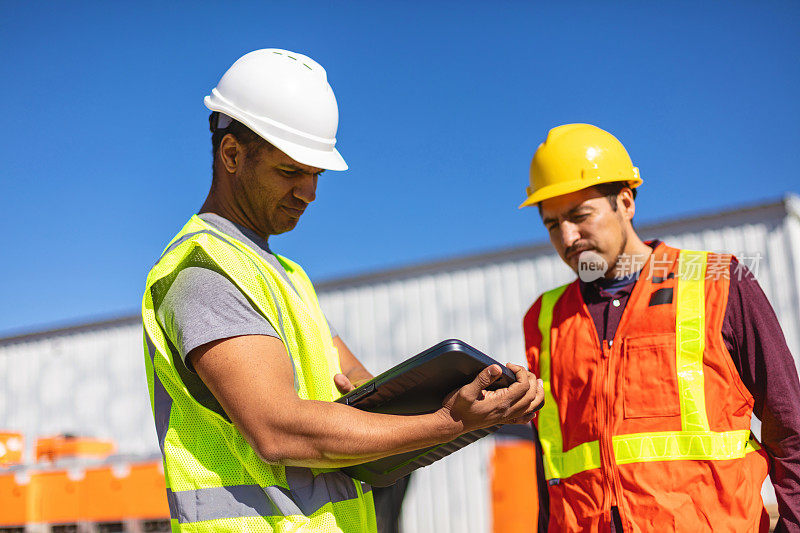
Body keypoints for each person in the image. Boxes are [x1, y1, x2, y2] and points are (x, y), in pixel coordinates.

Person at [141, 48, 544, 533]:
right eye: (290, 171)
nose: (309, 193)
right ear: (231, 154)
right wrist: (449, 422)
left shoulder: (288, 276)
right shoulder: (202, 270)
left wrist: (476, 396)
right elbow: (277, 429)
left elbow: (360, 381)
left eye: (316, 174)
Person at [520, 124, 800, 532]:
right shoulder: (544, 318)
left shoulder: (718, 281)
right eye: (551, 224)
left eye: (580, 215)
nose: (568, 237)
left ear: (625, 202)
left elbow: (790, 428)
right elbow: (548, 466)